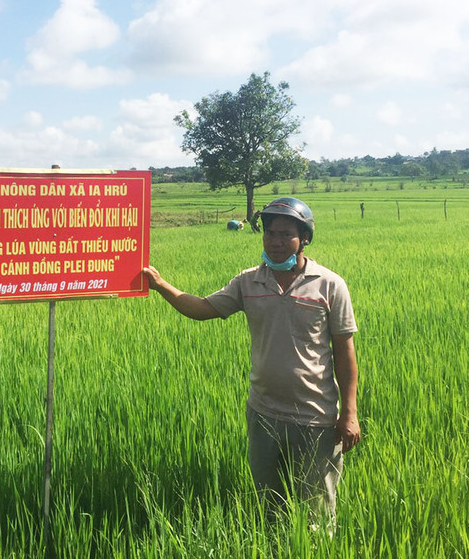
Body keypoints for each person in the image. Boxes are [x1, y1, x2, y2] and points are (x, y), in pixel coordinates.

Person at [143, 197, 360, 532]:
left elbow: (345, 353)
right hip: (264, 414)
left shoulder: (330, 285)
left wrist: (349, 413)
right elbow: (202, 308)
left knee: (316, 513)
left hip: (316, 417)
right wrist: (161, 286)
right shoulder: (248, 282)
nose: (274, 241)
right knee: (269, 508)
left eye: (285, 234)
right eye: (269, 233)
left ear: (304, 238)